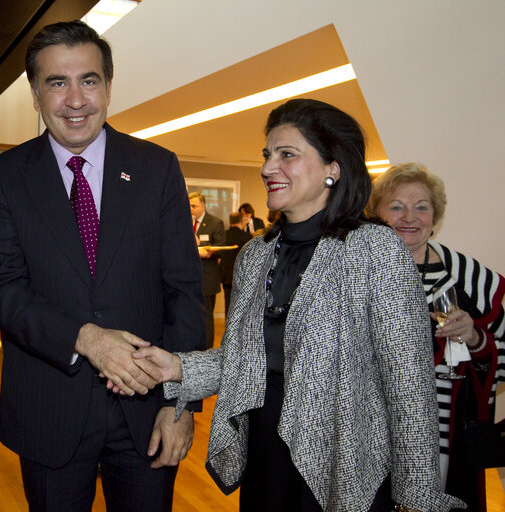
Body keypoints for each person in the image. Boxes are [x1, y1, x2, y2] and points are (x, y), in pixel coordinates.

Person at [131, 99, 465, 511]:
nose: (269, 168)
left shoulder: (376, 249)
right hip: (266, 454)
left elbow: (409, 386)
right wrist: (179, 367)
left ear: (333, 168)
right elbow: (250, 356)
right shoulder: (256, 255)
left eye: (287, 155)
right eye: (268, 156)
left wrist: (417, 496)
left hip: (344, 464)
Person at [0, 20, 205, 512]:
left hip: (148, 412)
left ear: (107, 86)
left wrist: (181, 403)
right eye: (57, 83)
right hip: (48, 410)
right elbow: (4, 291)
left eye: (89, 80)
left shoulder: (157, 167)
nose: (75, 100)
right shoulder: (3, 178)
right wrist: (86, 338)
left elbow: (185, 291)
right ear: (35, 95)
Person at [369, 162, 505, 511]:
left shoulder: (472, 280)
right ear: (378, 213)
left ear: (435, 215)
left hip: (445, 438)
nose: (409, 217)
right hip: (369, 436)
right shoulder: (357, 273)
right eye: (396, 206)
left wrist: (475, 338)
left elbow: (502, 362)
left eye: (421, 207)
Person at [190, 191, 226, 348]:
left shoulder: (215, 223)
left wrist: (202, 248)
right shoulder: (185, 222)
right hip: (189, 278)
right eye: (189, 205)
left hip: (207, 278)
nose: (190, 209)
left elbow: (221, 248)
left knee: (206, 318)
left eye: (194, 206)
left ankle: (207, 350)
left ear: (203, 206)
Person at [220, 211, 252, 313]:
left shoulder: (224, 235)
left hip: (226, 274)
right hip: (241, 274)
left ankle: (227, 325)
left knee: (228, 302)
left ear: (230, 222)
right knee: (240, 304)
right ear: (242, 221)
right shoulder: (247, 237)